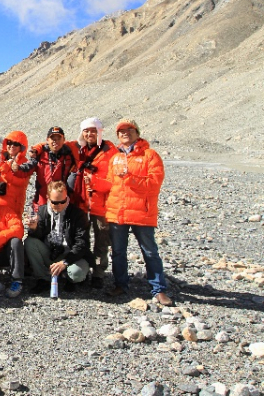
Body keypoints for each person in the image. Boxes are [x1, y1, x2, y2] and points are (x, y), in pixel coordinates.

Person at [94, 119, 171, 306]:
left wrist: (129, 178)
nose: (125, 133)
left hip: (141, 212)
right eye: (121, 131)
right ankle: (121, 284)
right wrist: (94, 183)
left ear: (137, 133)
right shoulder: (115, 158)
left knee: (150, 251)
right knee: (118, 251)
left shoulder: (150, 156)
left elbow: (154, 184)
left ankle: (158, 289)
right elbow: (111, 184)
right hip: (118, 212)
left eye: (129, 130)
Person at [67, 118, 118, 289]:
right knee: (79, 236)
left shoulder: (110, 151)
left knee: (101, 239)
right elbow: (53, 143)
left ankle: (98, 272)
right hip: (81, 201)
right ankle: (81, 268)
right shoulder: (77, 148)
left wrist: (94, 181)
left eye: (93, 131)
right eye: (86, 131)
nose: (89, 134)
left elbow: (115, 181)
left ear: (99, 132)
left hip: (101, 203)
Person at [24, 181, 92, 295]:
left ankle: (68, 277)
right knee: (29, 242)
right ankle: (43, 278)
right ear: (48, 198)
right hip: (51, 252)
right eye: (55, 202)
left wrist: (65, 262)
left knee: (77, 274)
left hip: (70, 254)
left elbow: (82, 244)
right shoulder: (42, 211)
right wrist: (34, 228)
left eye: (63, 201)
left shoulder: (78, 214)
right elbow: (37, 236)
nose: (59, 205)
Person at [17, 126, 78, 211]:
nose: (55, 141)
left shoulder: (70, 155)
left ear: (64, 139)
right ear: (47, 140)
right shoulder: (40, 154)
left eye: (58, 138)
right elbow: (28, 167)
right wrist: (17, 168)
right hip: (42, 202)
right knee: (41, 223)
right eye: (53, 138)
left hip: (62, 203)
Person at [0, 131, 32, 217]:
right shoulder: (0, 159)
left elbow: (21, 182)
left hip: (12, 205)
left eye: (16, 144)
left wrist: (5, 172)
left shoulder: (24, 163)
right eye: (9, 142)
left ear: (21, 147)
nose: (12, 146)